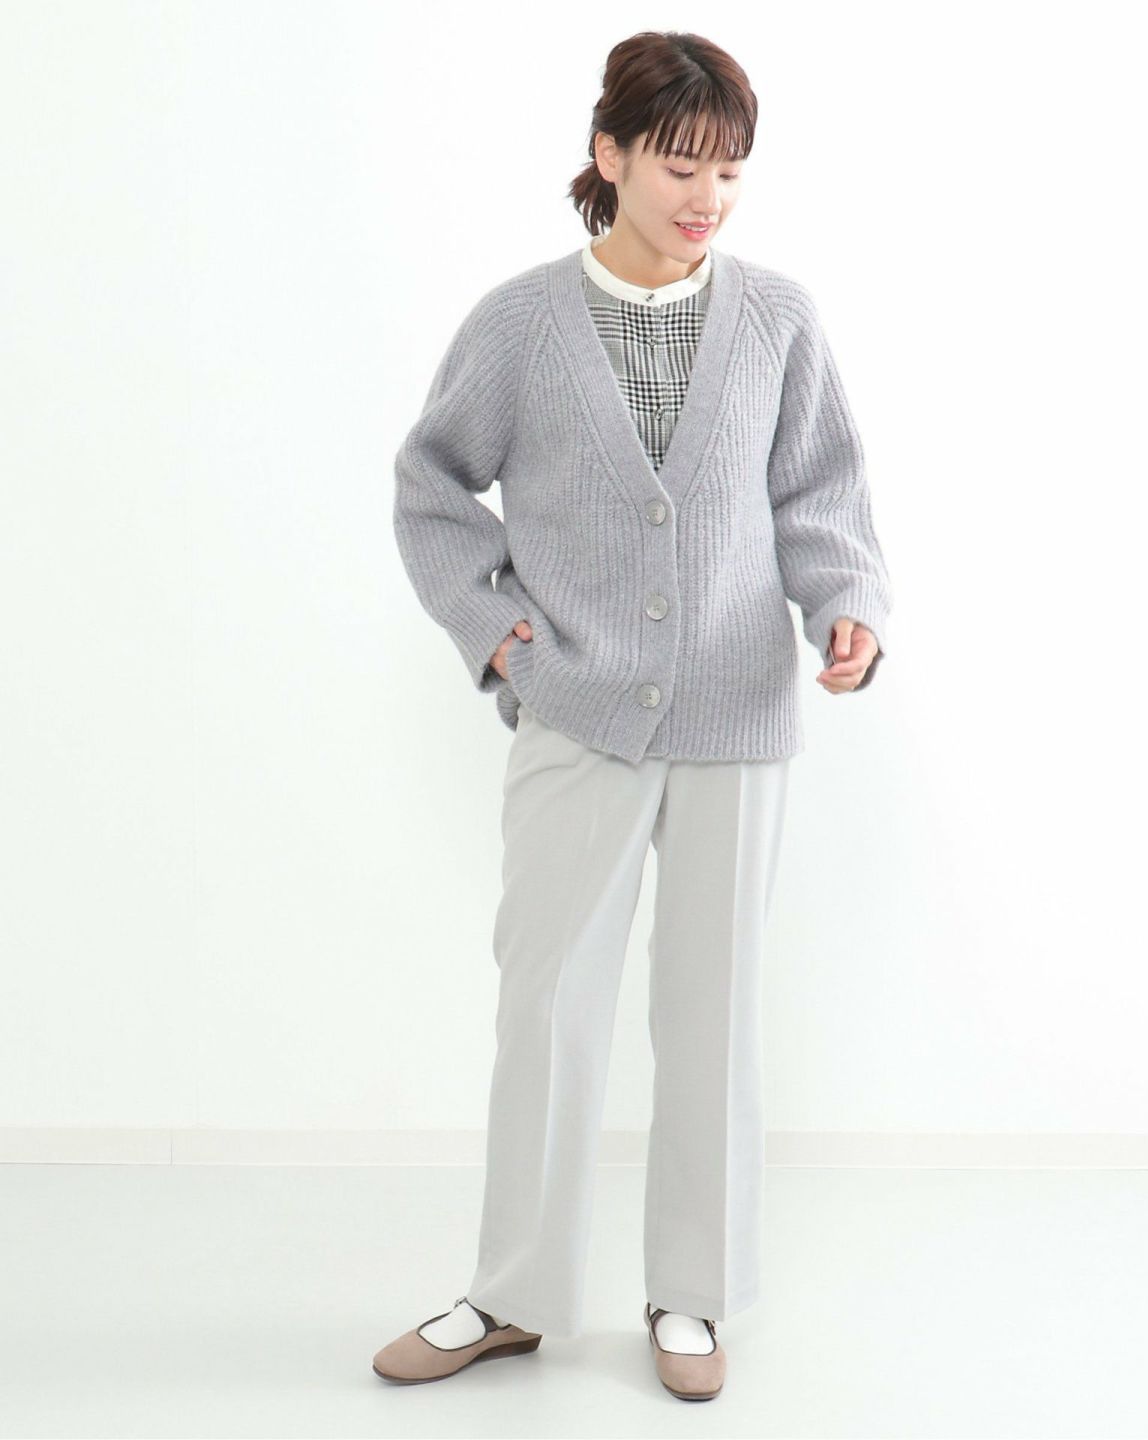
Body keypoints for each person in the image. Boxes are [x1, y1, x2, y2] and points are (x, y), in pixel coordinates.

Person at [373, 29, 892, 1402]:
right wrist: (501, 636)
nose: (707, 195)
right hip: (576, 705)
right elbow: (431, 487)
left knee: (711, 1014)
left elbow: (821, 492)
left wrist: (848, 606)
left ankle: (693, 1296)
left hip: (737, 709)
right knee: (548, 1003)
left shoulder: (778, 319)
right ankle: (512, 1293)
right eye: (679, 164)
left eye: (729, 168)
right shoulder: (520, 324)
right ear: (607, 156)